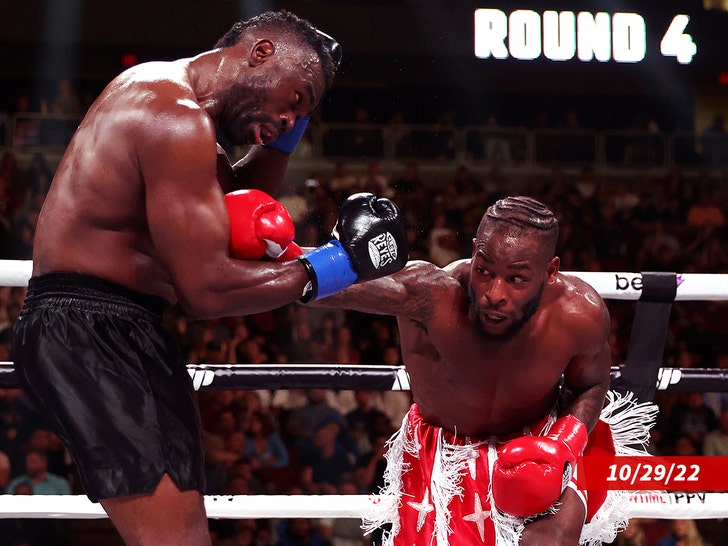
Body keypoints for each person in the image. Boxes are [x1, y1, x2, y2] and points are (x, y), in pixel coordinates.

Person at [11, 10, 408, 546]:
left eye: (303, 115)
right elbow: (205, 288)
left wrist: (293, 122)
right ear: (262, 51)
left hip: (118, 328)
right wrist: (338, 265)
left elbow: (234, 202)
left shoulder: (184, 119)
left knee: (181, 533)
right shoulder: (170, 115)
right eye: (295, 99)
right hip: (90, 330)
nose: (292, 121)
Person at [308, 196, 656, 545]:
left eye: (517, 279)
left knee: (550, 537)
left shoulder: (579, 313)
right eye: (484, 271)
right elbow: (312, 286)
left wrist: (563, 445)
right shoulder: (432, 295)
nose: (494, 293)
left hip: (540, 441)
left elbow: (592, 385)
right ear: (474, 252)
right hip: (446, 451)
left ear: (550, 272)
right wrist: (335, 257)